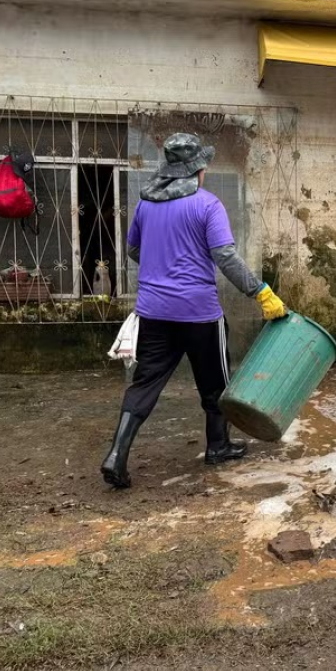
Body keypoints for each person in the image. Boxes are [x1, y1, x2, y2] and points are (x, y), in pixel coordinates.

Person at [101, 133, 287, 488]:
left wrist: (161, 263)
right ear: (196, 170)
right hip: (199, 314)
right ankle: (218, 446)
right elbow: (225, 256)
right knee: (215, 383)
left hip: (153, 312)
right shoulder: (207, 205)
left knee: (144, 383)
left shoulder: (145, 204)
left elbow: (133, 250)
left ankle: (116, 456)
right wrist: (260, 290)